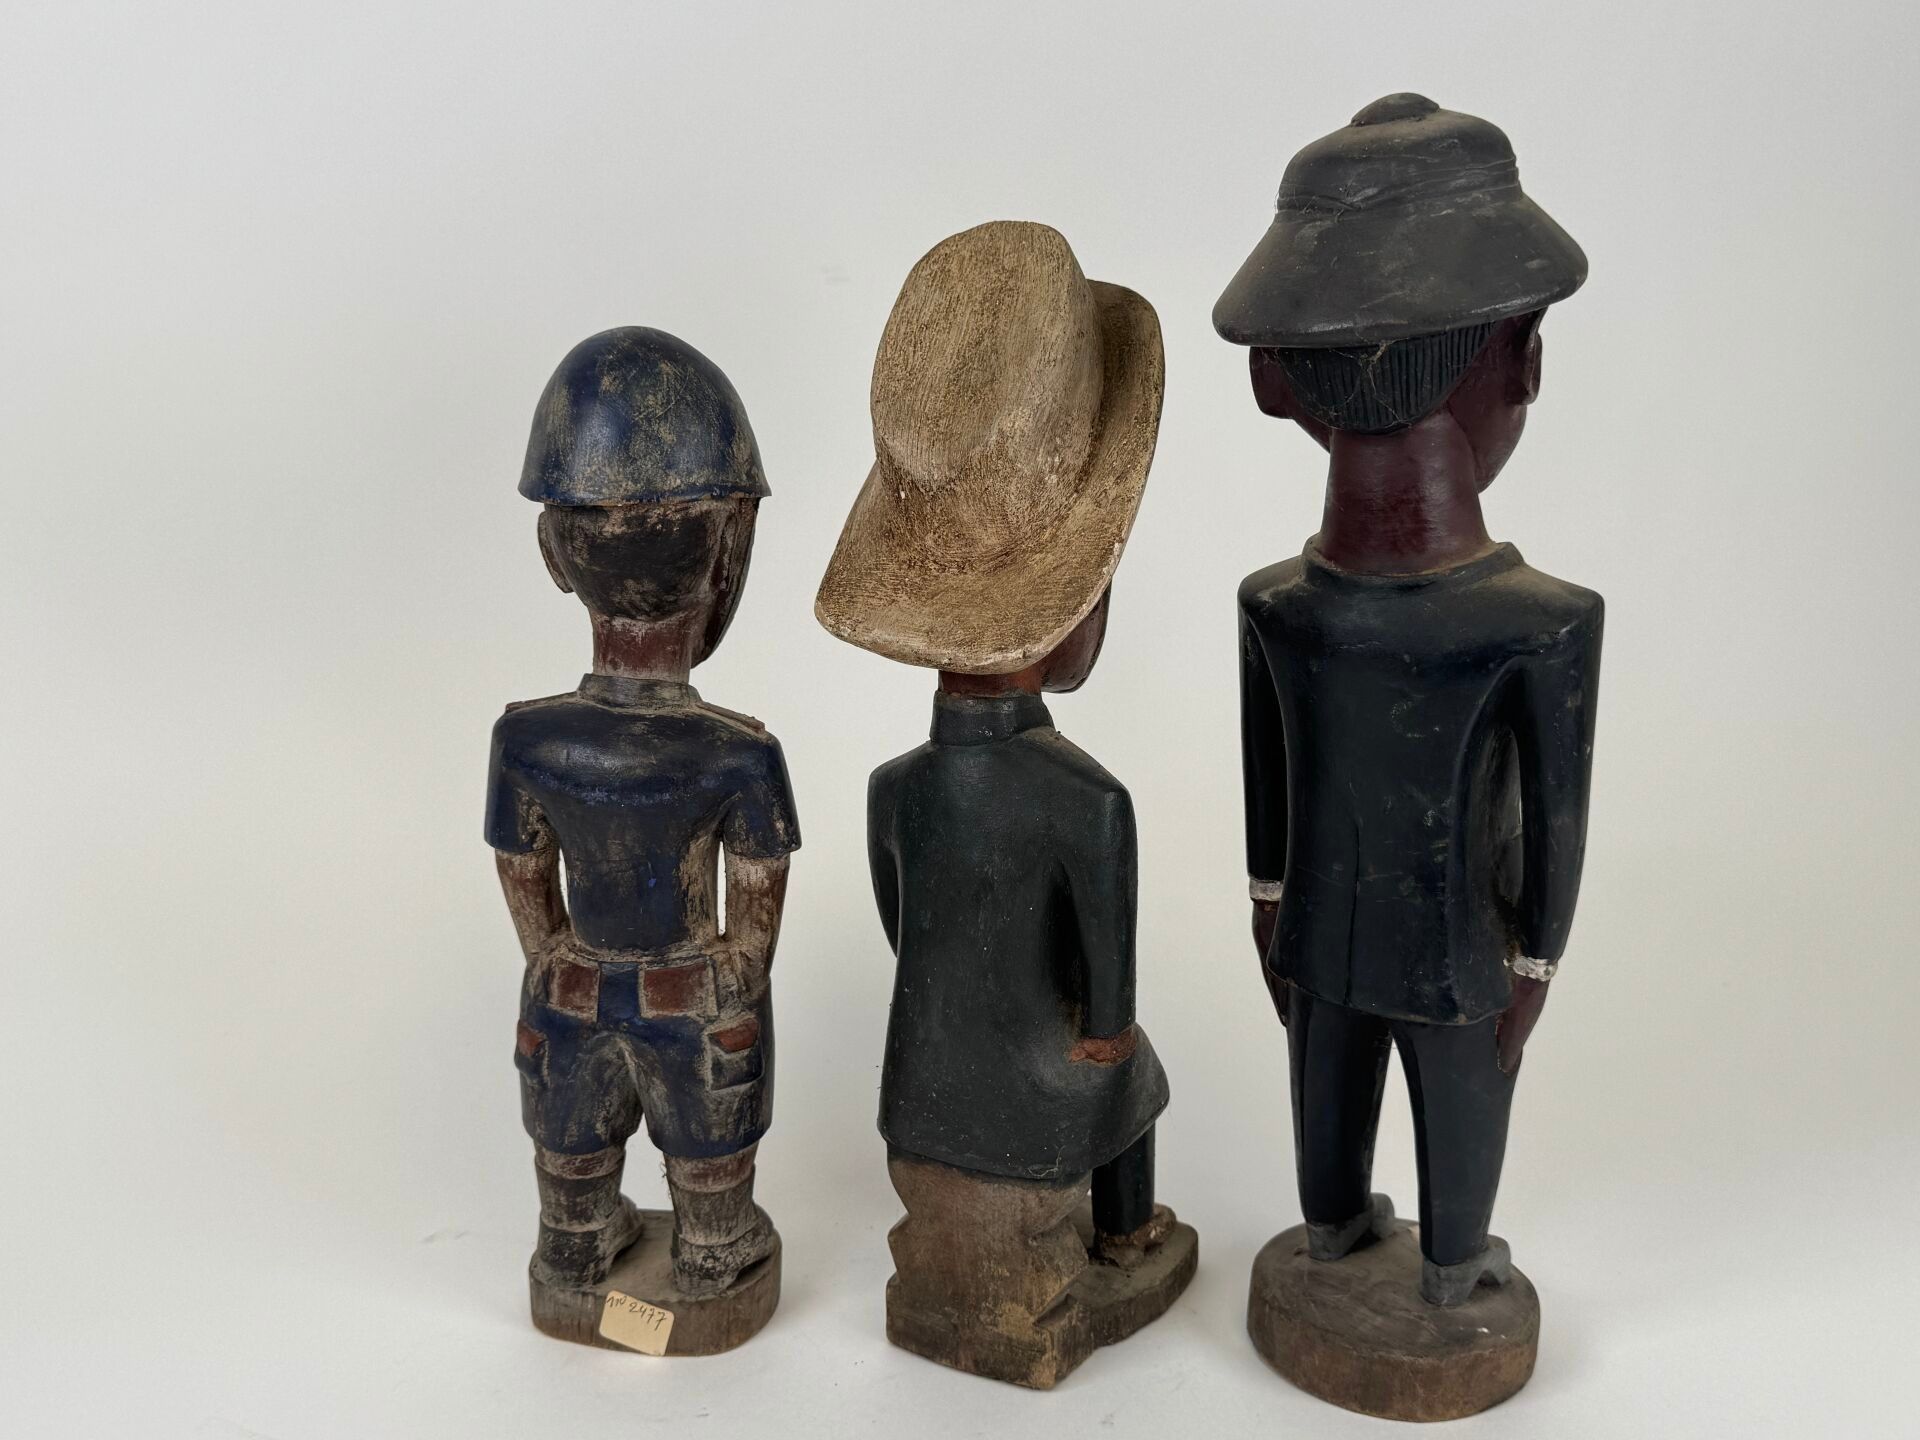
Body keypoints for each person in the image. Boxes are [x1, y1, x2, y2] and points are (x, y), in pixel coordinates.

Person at [1215, 95, 1604, 1306]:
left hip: (1317, 937)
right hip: (1456, 957)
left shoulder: (1281, 606)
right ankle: (1450, 1261)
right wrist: (1536, 962)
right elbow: (1557, 823)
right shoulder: (1542, 625)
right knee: (1461, 1091)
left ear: (1287, 379)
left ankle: (1333, 1224)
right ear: (1517, 359)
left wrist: (1269, 909)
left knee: (1325, 1085)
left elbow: (1266, 795)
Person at [816, 220, 1195, 1386]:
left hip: (917, 1096)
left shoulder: (893, 792)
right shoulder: (1089, 801)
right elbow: (1109, 992)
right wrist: (1099, 1036)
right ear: (1077, 609)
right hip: (1037, 1104)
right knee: (1136, 1075)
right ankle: (1125, 1233)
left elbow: (910, 933)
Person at [485, 327, 798, 1327]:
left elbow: (521, 866)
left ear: (554, 550)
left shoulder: (529, 740)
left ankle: (575, 1242)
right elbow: (758, 890)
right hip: (690, 1000)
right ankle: (711, 1247)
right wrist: (740, 969)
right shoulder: (738, 753)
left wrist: (549, 956)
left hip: (570, 995)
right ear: (729, 546)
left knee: (570, 1148)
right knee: (712, 1162)